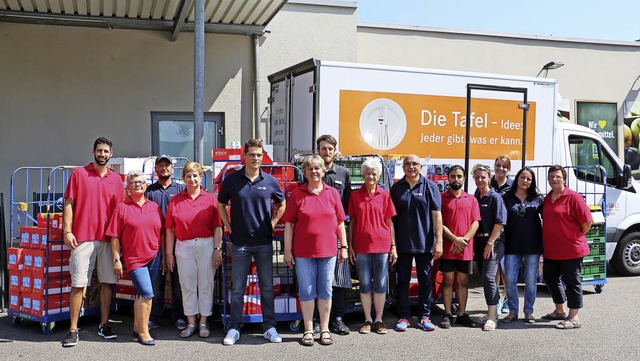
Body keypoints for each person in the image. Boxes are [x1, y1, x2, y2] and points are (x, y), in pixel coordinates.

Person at [217, 139, 286, 346]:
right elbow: (221, 205)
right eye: (252, 154)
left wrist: (272, 223)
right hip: (240, 243)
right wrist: (229, 226)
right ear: (244, 156)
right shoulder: (232, 180)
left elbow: (281, 204)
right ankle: (234, 328)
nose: (256, 158)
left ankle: (269, 327)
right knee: (238, 288)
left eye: (259, 155)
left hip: (264, 242)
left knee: (266, 287)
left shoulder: (271, 181)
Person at [61, 137, 125, 347]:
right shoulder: (79, 174)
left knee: (107, 283)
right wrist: (67, 230)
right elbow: (69, 203)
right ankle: (72, 330)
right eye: (99, 151)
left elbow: (120, 212)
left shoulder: (116, 180)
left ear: (111, 154)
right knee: (79, 284)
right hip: (82, 238)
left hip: (107, 239)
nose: (103, 154)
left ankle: (104, 324)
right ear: (93, 152)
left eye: (106, 151)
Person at [283, 155, 348, 346]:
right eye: (310, 168)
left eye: (317, 168)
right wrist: (287, 251)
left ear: (323, 170)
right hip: (303, 253)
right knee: (307, 291)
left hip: (328, 252)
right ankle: (309, 329)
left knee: (326, 291)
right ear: (304, 172)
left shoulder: (332, 193)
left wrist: (343, 247)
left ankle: (325, 329)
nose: (314, 172)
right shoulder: (297, 194)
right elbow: (289, 225)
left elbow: (340, 222)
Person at [165, 162, 223, 339]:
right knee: (187, 285)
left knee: (206, 284)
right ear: (183, 179)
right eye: (188, 176)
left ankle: (204, 321)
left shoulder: (211, 199)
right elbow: (169, 229)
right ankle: (191, 322)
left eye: (195, 175)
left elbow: (218, 227)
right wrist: (169, 254)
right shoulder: (175, 200)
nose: (192, 179)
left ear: (201, 177)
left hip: (206, 244)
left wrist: (217, 249)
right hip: (183, 246)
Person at [107, 170, 163, 346]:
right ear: (128, 188)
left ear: (146, 186)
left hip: (154, 255)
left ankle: (137, 327)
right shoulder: (121, 208)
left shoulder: (154, 207)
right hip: (134, 259)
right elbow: (114, 236)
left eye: (140, 182)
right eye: (133, 182)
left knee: (141, 293)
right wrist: (116, 260)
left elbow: (159, 232)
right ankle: (144, 332)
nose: (137, 184)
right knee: (147, 293)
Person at [389, 154, 443, 332]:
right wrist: (393, 245)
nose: (411, 166)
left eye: (414, 164)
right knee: (402, 280)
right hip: (403, 243)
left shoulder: (430, 186)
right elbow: (391, 220)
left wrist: (439, 241)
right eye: (407, 164)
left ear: (421, 167)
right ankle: (403, 316)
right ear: (402, 167)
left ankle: (424, 316)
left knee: (425, 281)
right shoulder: (396, 188)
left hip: (424, 242)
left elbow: (436, 215)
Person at [347, 158, 397, 334]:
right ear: (362, 175)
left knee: (381, 284)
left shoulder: (385, 196)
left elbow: (389, 223)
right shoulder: (355, 196)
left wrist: (393, 246)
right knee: (365, 284)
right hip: (361, 247)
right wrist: (350, 246)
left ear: (379, 175)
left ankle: (379, 320)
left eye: (374, 173)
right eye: (367, 173)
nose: (370, 176)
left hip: (382, 246)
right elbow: (352, 222)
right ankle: (367, 319)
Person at [541, 165, 593, 329]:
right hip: (551, 249)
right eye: (551, 176)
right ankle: (560, 311)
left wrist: (572, 236)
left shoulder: (573, 197)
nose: (554, 179)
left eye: (557, 176)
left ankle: (574, 317)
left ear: (564, 178)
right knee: (550, 278)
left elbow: (587, 222)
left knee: (572, 282)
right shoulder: (547, 198)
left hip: (571, 249)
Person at [145, 155, 187, 331]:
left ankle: (180, 316)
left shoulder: (181, 189)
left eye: (167, 165)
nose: (164, 168)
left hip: (178, 242)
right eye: (160, 165)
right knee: (156, 281)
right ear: (156, 169)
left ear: (172, 169)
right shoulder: (149, 191)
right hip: (155, 243)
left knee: (179, 282)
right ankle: (155, 317)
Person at [316, 134, 352, 336]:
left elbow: (345, 206)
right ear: (318, 150)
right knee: (317, 277)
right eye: (323, 148)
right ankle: (315, 318)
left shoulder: (343, 173)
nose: (326, 152)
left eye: (330, 149)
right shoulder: (312, 170)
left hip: (337, 233)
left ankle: (337, 319)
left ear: (334, 151)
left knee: (339, 278)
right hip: (315, 235)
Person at [439, 165, 480, 329]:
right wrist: (455, 239)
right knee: (448, 280)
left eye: (459, 176)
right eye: (453, 176)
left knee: (463, 281)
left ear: (464, 178)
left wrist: (464, 240)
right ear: (448, 178)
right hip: (448, 247)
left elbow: (476, 222)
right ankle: (447, 313)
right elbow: (438, 222)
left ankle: (462, 314)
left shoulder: (471, 199)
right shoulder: (441, 198)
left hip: (465, 248)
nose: (456, 179)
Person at [502, 167, 544, 324]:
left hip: (532, 246)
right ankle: (513, 311)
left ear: (532, 182)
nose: (525, 181)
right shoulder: (506, 198)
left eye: (529, 179)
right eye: (522, 177)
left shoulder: (538, 199)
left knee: (531, 280)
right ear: (517, 178)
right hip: (511, 246)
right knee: (511, 279)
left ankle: (528, 312)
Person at [472, 164, 507, 331]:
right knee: (485, 278)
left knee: (488, 277)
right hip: (478, 243)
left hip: (493, 242)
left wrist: (490, 243)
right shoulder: (475, 197)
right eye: (477, 177)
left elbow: (499, 222)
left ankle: (493, 317)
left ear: (489, 177)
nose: (480, 180)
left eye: (483, 177)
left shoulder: (495, 197)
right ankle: (492, 310)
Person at [491, 155, 512, 315]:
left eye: (504, 166)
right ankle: (497, 300)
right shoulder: (488, 183)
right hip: (493, 233)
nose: (500, 169)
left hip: (510, 232)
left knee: (506, 269)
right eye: (498, 165)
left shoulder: (513, 186)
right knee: (496, 269)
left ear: (508, 169)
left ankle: (507, 299)